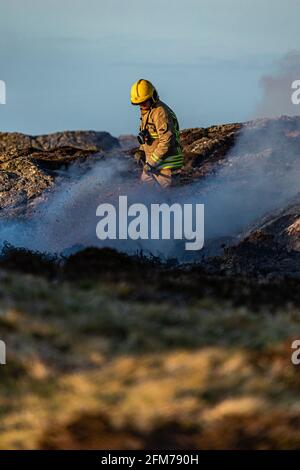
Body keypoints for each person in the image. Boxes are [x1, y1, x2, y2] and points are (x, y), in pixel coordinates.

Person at [130, 79, 183, 188]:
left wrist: (151, 162)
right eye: (139, 103)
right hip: (153, 165)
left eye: (144, 101)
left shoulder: (160, 112)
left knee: (165, 200)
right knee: (146, 194)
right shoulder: (147, 112)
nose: (142, 105)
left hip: (167, 166)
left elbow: (167, 142)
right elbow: (148, 136)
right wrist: (141, 151)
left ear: (153, 96)